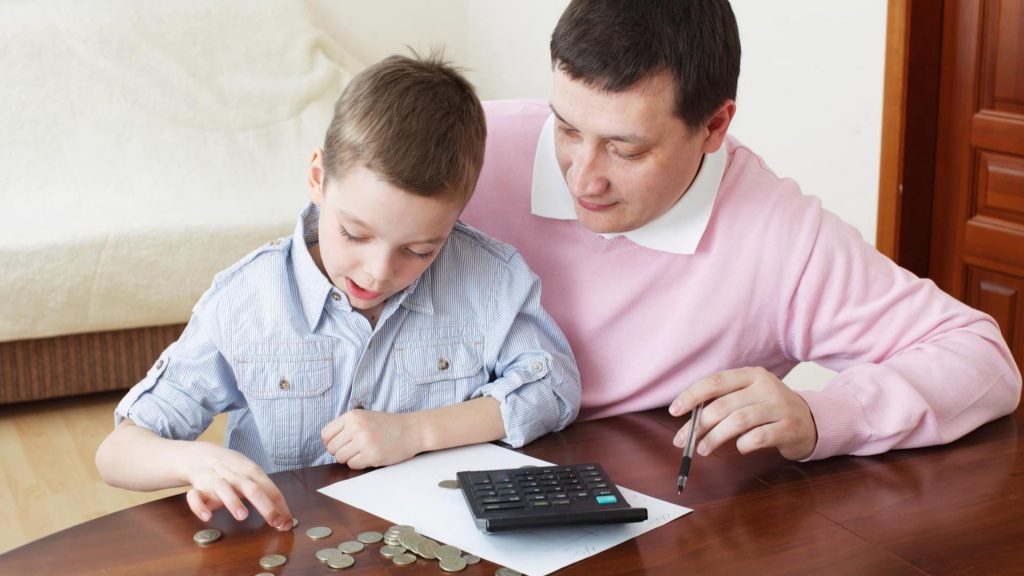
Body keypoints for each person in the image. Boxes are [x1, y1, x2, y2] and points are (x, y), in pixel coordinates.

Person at [461, 0, 1020, 463]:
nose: (583, 176)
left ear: (714, 126)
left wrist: (821, 415)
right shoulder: (469, 146)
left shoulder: (778, 236)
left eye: (625, 149)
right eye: (565, 128)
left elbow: (981, 359)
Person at [95, 53, 581, 530]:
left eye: (418, 250)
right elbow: (118, 452)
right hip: (289, 547)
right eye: (355, 233)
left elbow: (555, 388)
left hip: (431, 541)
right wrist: (195, 461)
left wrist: (417, 431)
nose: (377, 272)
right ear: (317, 177)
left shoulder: (491, 279)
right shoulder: (246, 300)